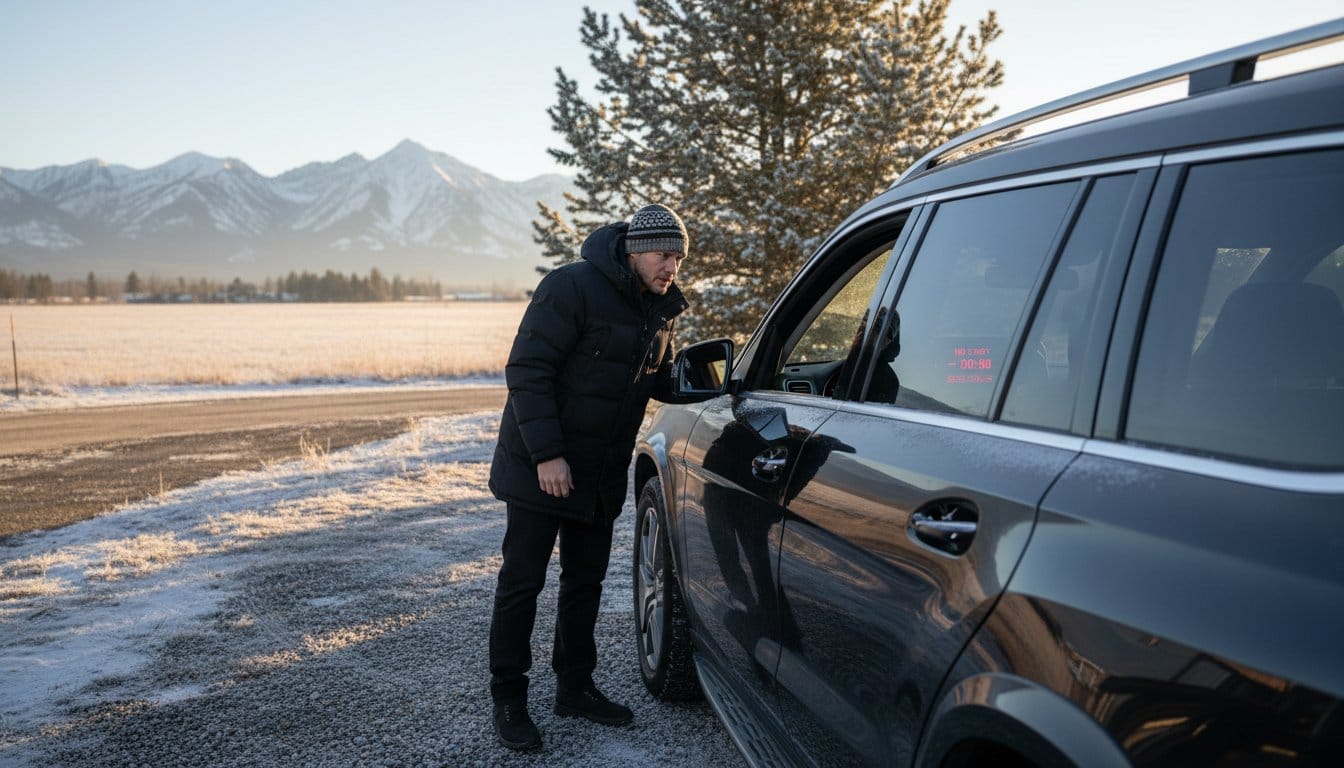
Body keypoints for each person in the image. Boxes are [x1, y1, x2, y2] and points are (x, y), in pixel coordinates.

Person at [486, 204, 692, 751]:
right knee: (522, 584)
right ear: (633, 248)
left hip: (599, 472)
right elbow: (527, 370)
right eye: (662, 253)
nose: (670, 266)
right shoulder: (571, 286)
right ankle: (509, 699)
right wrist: (547, 455)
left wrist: (719, 386)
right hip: (541, 466)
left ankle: (574, 686)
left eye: (677, 257)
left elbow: (653, 382)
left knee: (585, 584)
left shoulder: (659, 311)